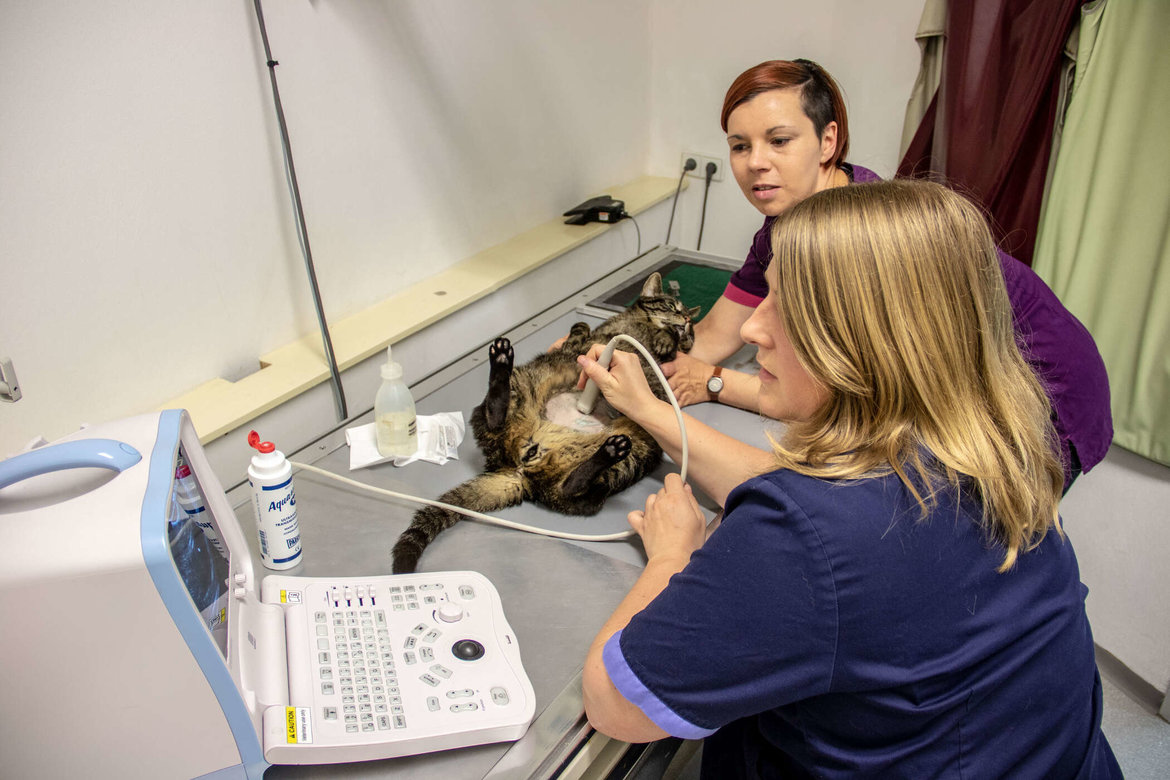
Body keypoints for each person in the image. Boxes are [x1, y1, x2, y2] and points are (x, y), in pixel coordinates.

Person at [577, 179, 1121, 778]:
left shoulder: (805, 535)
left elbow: (616, 704)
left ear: (864, 336)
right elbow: (834, 512)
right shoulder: (995, 446)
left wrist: (670, 556)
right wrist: (652, 410)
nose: (755, 329)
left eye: (785, 306)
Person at [665, 59, 1111, 490]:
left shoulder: (865, 240)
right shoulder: (782, 230)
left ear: (827, 141)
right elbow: (718, 334)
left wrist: (712, 383)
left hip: (1042, 383)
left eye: (779, 140)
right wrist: (633, 360)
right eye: (740, 146)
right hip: (946, 384)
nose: (755, 162)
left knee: (982, 529)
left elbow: (842, 403)